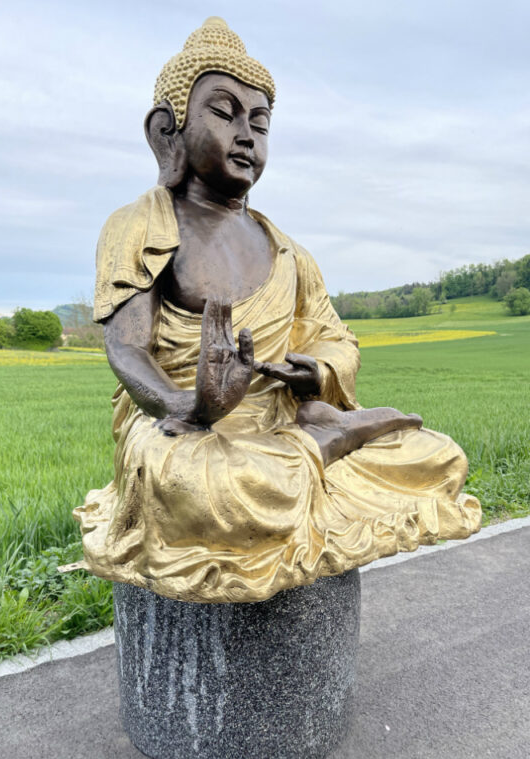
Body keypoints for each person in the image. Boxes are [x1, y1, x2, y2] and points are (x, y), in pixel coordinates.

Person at [73, 18, 481, 602]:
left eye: (259, 123)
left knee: (435, 456)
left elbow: (338, 338)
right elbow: (126, 347)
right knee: (198, 483)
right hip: (183, 429)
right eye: (225, 113)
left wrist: (315, 371)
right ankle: (327, 442)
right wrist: (188, 403)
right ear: (167, 132)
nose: (246, 136)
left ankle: (322, 435)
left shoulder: (286, 249)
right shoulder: (141, 223)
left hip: (278, 418)